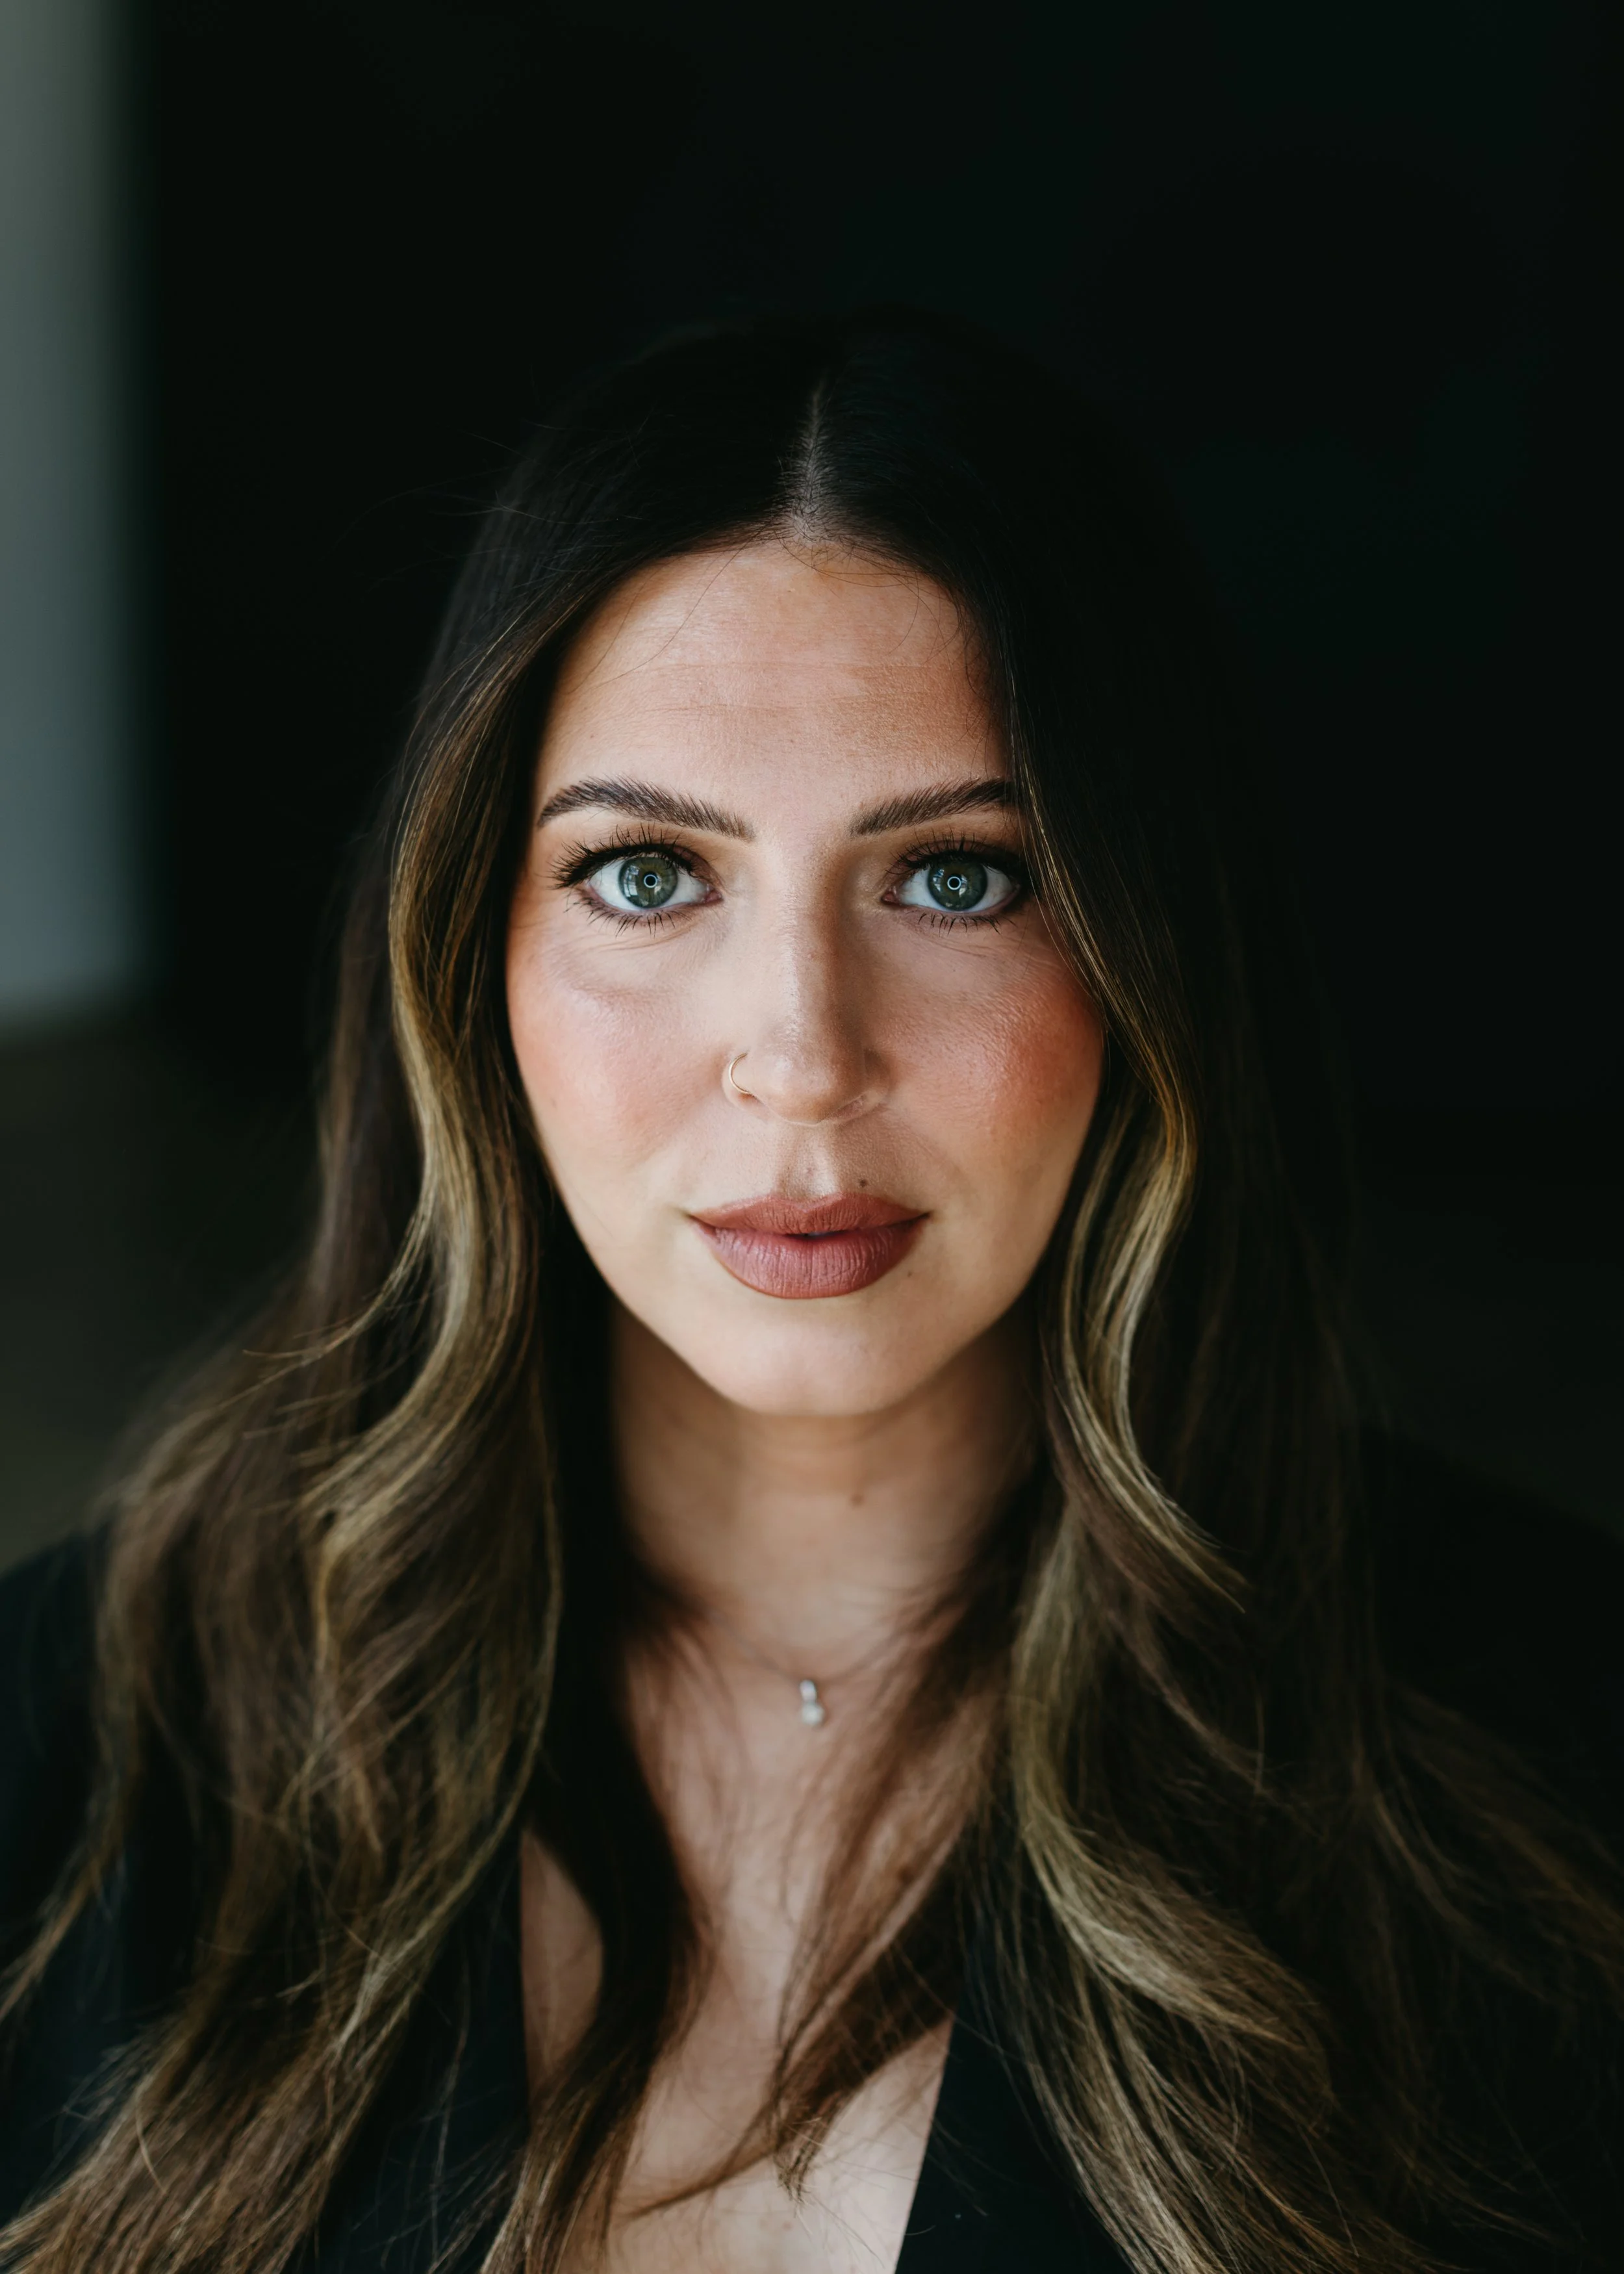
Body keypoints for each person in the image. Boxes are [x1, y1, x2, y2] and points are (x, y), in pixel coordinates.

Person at [1, 309, 1620, 2274]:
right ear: (469, 956)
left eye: (954, 879)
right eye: (646, 874)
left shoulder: (1541, 1759)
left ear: (1146, 954)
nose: (799, 1055)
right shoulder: (72, 1745)